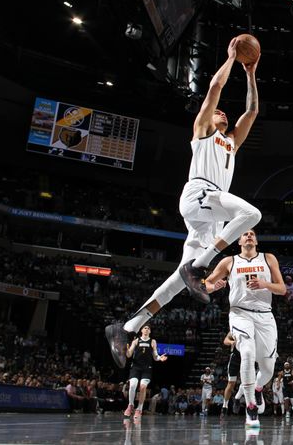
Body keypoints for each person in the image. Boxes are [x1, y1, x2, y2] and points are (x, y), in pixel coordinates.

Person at [105, 37, 262, 368]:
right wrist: (232, 58)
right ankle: (199, 265)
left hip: (211, 214)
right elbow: (215, 88)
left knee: (177, 283)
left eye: (223, 113)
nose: (221, 111)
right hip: (199, 194)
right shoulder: (203, 130)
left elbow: (252, 111)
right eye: (218, 111)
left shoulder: (231, 141)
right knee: (251, 213)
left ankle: (125, 328)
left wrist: (251, 73)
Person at [204, 229, 286, 428]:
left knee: (268, 369)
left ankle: (257, 389)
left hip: (265, 314)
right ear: (239, 240)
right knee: (247, 353)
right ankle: (250, 408)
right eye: (244, 234)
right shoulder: (229, 262)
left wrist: (264, 284)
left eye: (252, 233)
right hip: (240, 313)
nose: (249, 235)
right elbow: (206, 283)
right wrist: (213, 287)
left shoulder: (268, 258)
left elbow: (282, 289)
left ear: (256, 240)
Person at [124, 325, 168, 420]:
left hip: (146, 369)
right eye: (145, 328)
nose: (146, 329)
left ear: (150, 331)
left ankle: (139, 409)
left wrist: (160, 358)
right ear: (141, 330)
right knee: (132, 385)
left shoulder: (152, 341)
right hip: (135, 367)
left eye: (148, 328)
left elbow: (155, 356)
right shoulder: (136, 341)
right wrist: (126, 350)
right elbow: (129, 355)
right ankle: (130, 405)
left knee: (143, 387)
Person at [221, 332, 241, 417]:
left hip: (247, 357)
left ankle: (237, 399)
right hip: (235, 358)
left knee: (247, 383)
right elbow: (225, 340)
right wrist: (231, 342)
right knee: (231, 383)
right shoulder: (234, 327)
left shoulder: (253, 326)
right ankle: (225, 406)